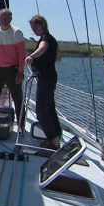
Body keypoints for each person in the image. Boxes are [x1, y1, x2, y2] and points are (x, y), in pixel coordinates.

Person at [24, 15, 61, 150]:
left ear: (41, 25)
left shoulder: (45, 39)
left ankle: (53, 141)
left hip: (46, 79)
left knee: (41, 111)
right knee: (50, 109)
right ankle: (57, 136)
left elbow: (42, 48)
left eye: (34, 27)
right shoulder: (49, 38)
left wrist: (31, 56)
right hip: (49, 78)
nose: (33, 30)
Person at [0, 8, 26, 126]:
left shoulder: (16, 33)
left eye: (6, 18)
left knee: (17, 98)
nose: (4, 20)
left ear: (11, 19)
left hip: (12, 69)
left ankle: (21, 124)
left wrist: (20, 71)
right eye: (2, 18)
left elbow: (22, 54)